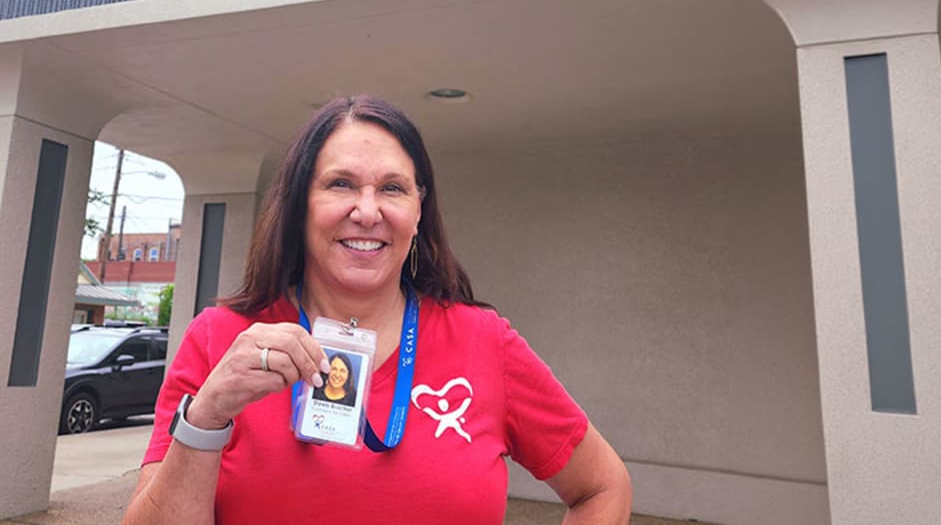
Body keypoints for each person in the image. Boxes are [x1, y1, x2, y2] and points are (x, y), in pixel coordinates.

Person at [123, 96, 631, 524]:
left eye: (391, 188)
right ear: (300, 205)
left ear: (418, 210)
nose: (367, 212)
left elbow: (603, 487)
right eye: (340, 184)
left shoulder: (483, 340)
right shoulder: (222, 340)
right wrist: (208, 416)